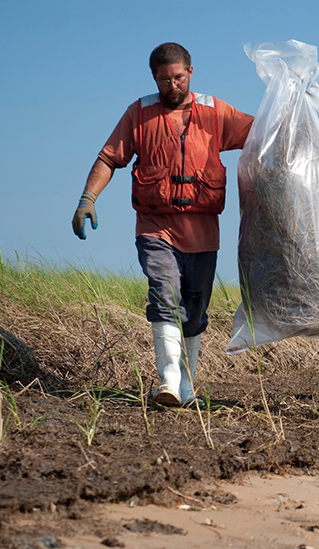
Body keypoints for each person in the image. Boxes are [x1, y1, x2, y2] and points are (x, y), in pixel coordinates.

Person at [72, 42, 254, 407]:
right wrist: (87, 199)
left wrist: (303, 116)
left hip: (203, 234)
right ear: (154, 78)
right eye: (164, 80)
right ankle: (168, 380)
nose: (172, 86)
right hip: (155, 228)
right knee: (164, 293)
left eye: (178, 77)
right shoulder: (139, 114)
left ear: (191, 72)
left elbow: (266, 135)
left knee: (196, 308)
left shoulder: (216, 112)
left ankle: (186, 388)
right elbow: (109, 158)